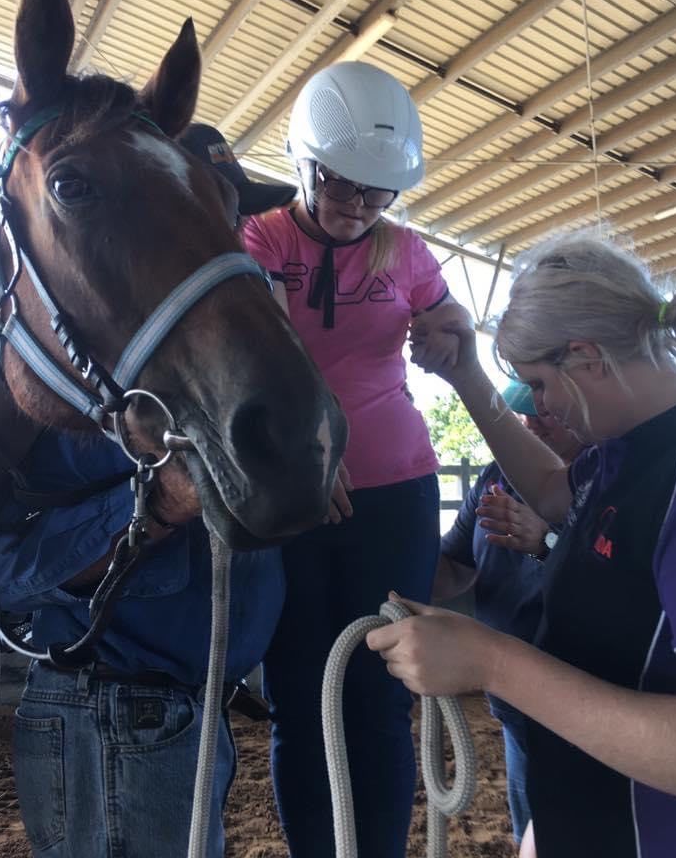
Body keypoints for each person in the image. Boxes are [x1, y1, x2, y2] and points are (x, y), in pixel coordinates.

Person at [0, 124, 298, 858]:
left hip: (181, 711)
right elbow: (4, 575)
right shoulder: (77, 372)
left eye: (232, 211)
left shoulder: (208, 362)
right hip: (112, 712)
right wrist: (158, 507)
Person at [367, 232, 676, 858]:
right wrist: (464, 374)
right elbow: (548, 486)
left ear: (585, 355)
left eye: (539, 385)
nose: (539, 406)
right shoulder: (622, 452)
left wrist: (493, 662)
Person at [241, 60, 456, 857]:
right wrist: (314, 453)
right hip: (297, 491)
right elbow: (263, 354)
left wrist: (449, 334)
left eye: (377, 194)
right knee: (301, 697)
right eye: (342, 187)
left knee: (379, 696)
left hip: (396, 489)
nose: (358, 208)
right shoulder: (261, 238)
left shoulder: (404, 250)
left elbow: (452, 318)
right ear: (304, 163)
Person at [435, 378, 582, 847]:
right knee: (533, 829)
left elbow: (621, 580)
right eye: (522, 410)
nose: (529, 421)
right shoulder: (495, 478)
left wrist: (547, 542)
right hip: (514, 703)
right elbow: (454, 569)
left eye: (543, 409)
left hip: (585, 704)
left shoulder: (610, 481)